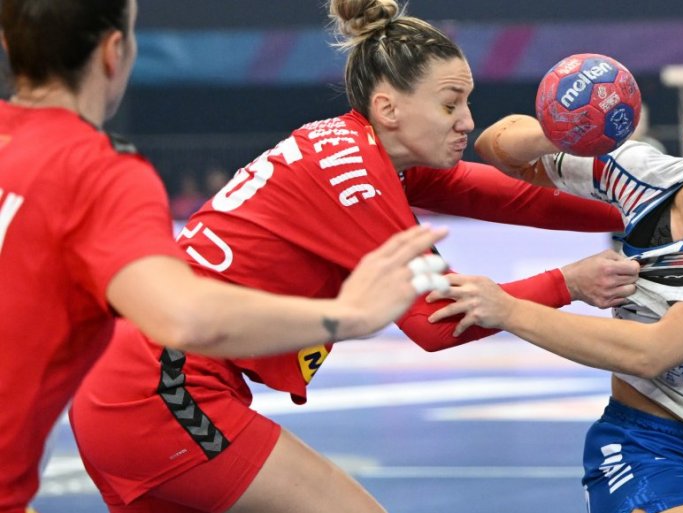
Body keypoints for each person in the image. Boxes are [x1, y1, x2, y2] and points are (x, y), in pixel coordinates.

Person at [68, 1, 637, 512]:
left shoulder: (356, 150)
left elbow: (507, 196)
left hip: (130, 383)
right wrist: (569, 282)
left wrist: (642, 210)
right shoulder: (355, 178)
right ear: (388, 108)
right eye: (450, 104)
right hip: (163, 388)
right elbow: (437, 321)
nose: (467, 121)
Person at [0, 0, 455, 511]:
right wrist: (348, 315)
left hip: (107, 408)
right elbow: (185, 317)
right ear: (115, 51)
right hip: (149, 396)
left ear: (9, 43)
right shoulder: (98, 173)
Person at [429, 68, 683, 513]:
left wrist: (508, 309)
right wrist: (564, 131)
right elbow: (497, 147)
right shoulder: (640, 174)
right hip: (642, 442)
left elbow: (650, 353)